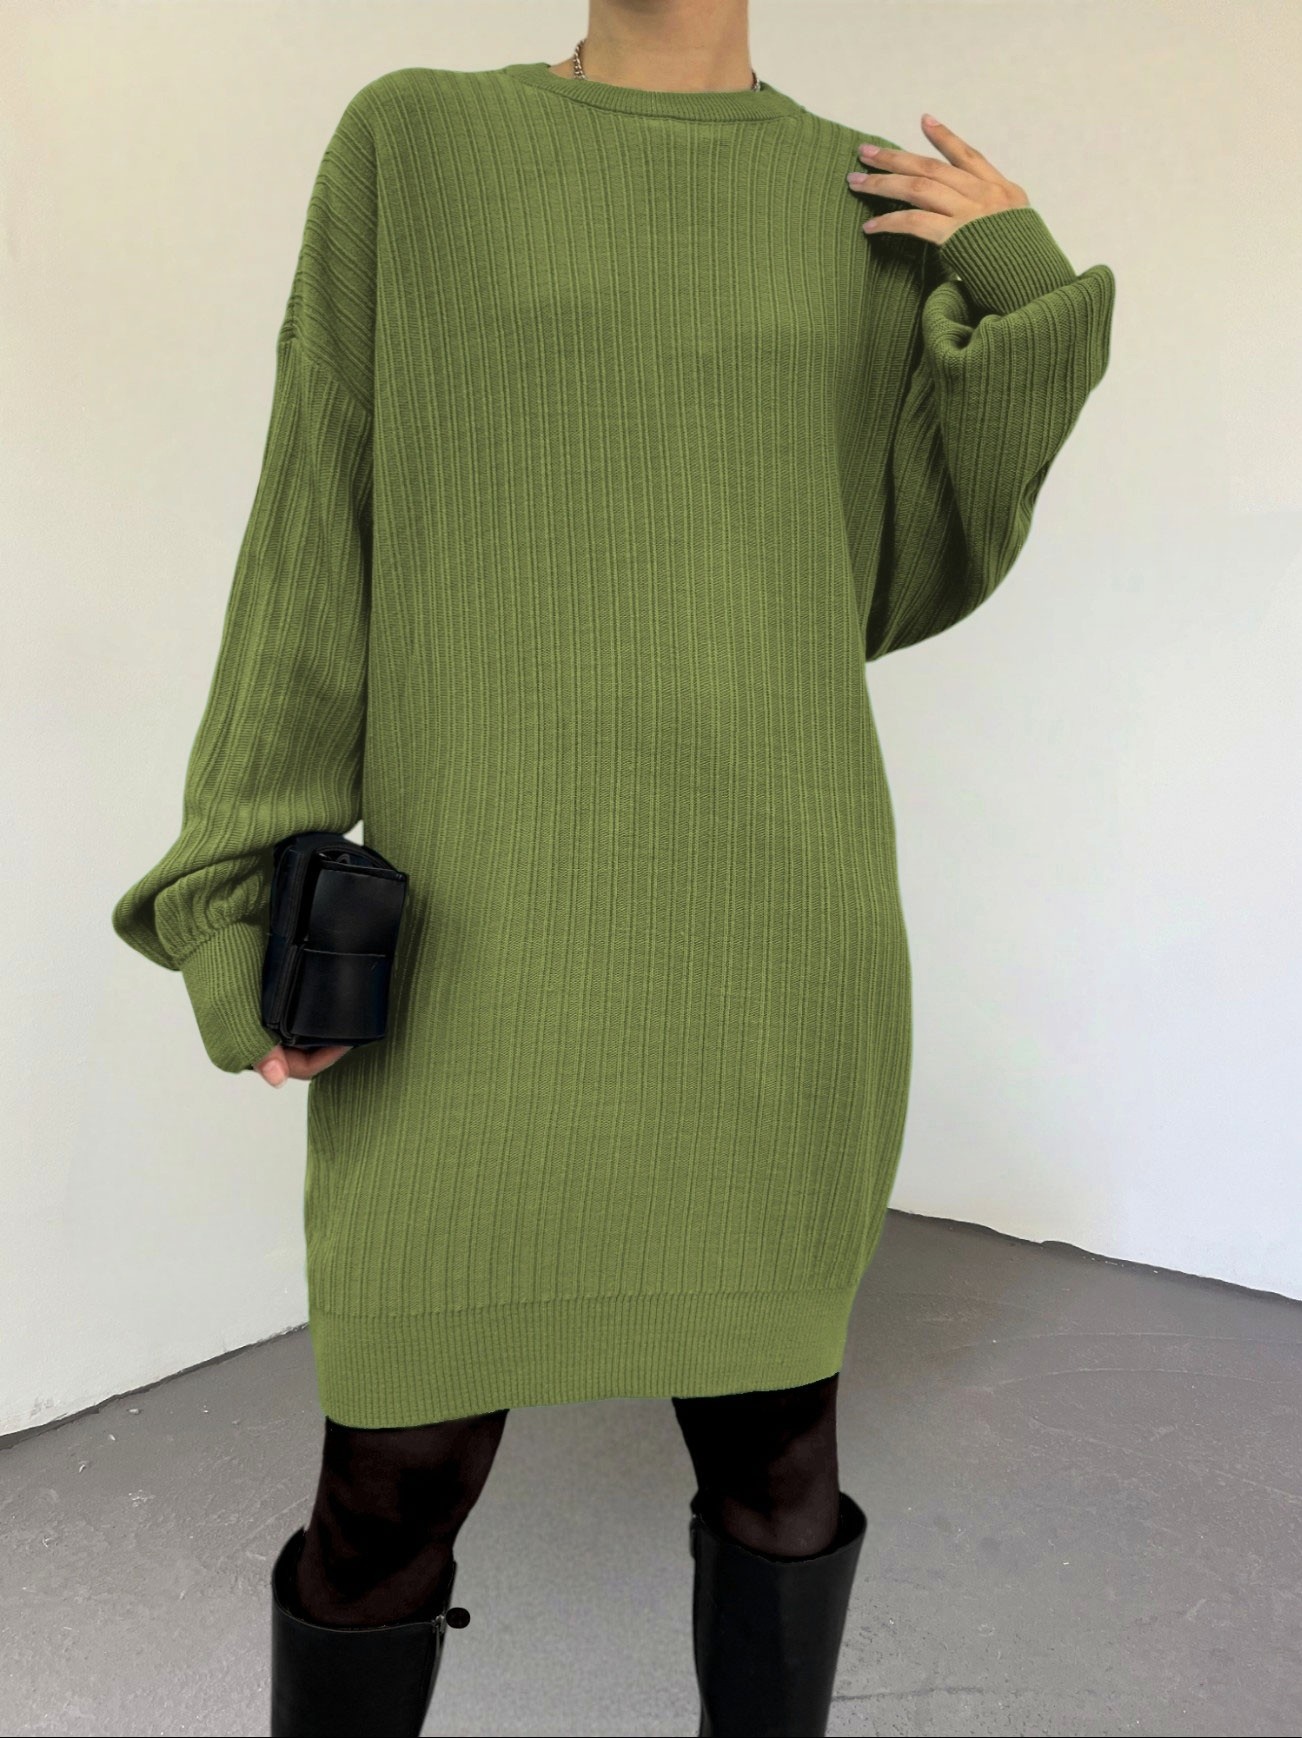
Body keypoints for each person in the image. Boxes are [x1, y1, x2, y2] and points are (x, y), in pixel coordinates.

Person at [110, 3, 1116, 1734]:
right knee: (389, 1487)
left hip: (767, 929)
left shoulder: (855, 199)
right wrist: (236, 882)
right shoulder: (416, 141)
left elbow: (888, 572)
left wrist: (1014, 285)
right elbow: (315, 512)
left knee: (777, 1462)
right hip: (479, 935)